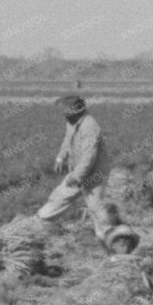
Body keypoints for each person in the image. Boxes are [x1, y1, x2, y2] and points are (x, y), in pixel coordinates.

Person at [40, 94, 108, 224]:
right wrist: (60, 158)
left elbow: (89, 156)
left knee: (95, 206)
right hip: (78, 169)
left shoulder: (89, 127)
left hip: (94, 172)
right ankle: (41, 221)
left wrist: (76, 176)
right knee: (60, 196)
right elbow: (68, 139)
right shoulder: (72, 121)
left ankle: (111, 235)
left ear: (76, 112)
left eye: (66, 113)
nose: (64, 115)